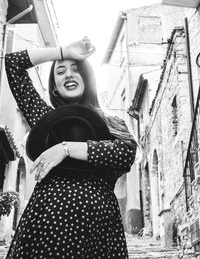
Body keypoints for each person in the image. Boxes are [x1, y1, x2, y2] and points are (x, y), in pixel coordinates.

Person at [5, 37, 137, 259]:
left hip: (99, 234)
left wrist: (65, 149)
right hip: (46, 229)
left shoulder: (113, 122)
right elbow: (13, 63)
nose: (68, 74)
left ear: (87, 77)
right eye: (60, 71)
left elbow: (125, 154)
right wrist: (64, 51)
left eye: (75, 69)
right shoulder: (45, 120)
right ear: (54, 87)